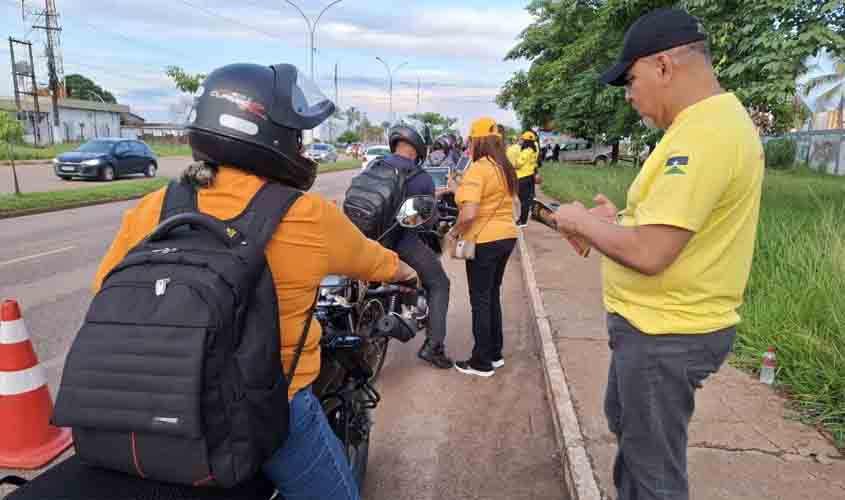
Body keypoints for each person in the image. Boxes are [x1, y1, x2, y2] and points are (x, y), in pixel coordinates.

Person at [91, 62, 417, 500]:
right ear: (272, 136)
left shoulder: (155, 206)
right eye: (297, 136)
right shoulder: (305, 214)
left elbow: (104, 290)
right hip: (266, 403)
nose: (302, 147)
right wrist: (408, 272)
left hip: (154, 395)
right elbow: (374, 261)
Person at [550, 8, 764, 500]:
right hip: (659, 328)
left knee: (652, 478)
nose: (629, 96)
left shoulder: (702, 135)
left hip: (665, 333)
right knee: (636, 441)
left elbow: (651, 253)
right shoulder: (709, 126)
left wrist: (581, 221)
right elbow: (671, 229)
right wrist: (617, 222)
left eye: (630, 80)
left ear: (664, 66)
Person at [448, 117, 518, 377]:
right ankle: (495, 354)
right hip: (506, 237)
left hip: (485, 241)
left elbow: (468, 214)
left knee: (480, 300)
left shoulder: (479, 168)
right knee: (491, 296)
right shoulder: (505, 167)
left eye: (471, 140)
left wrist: (453, 233)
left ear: (478, 141)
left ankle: (481, 362)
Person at [382, 125, 455, 369]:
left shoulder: (374, 168)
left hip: (366, 240)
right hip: (400, 242)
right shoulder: (420, 177)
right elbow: (430, 219)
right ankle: (434, 347)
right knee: (440, 283)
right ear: (417, 151)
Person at [514, 130, 540, 227]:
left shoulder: (526, 152)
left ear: (526, 141)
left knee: (523, 200)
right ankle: (529, 214)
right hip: (530, 176)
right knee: (528, 198)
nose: (521, 141)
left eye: (522, 139)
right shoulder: (534, 151)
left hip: (522, 178)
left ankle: (522, 221)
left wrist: (514, 163)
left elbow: (518, 164)